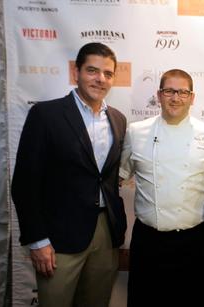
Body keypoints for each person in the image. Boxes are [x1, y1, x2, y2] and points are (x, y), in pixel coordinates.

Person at [11, 42, 127, 307]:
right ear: (76, 73)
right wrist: (37, 240)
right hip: (58, 237)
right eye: (92, 71)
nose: (100, 79)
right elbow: (25, 184)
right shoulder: (46, 114)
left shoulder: (118, 119)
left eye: (108, 73)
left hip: (105, 234)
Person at [120, 69, 204, 307]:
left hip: (194, 242)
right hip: (149, 242)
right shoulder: (136, 132)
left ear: (192, 97)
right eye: (169, 91)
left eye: (182, 92)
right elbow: (117, 177)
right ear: (159, 94)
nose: (175, 98)